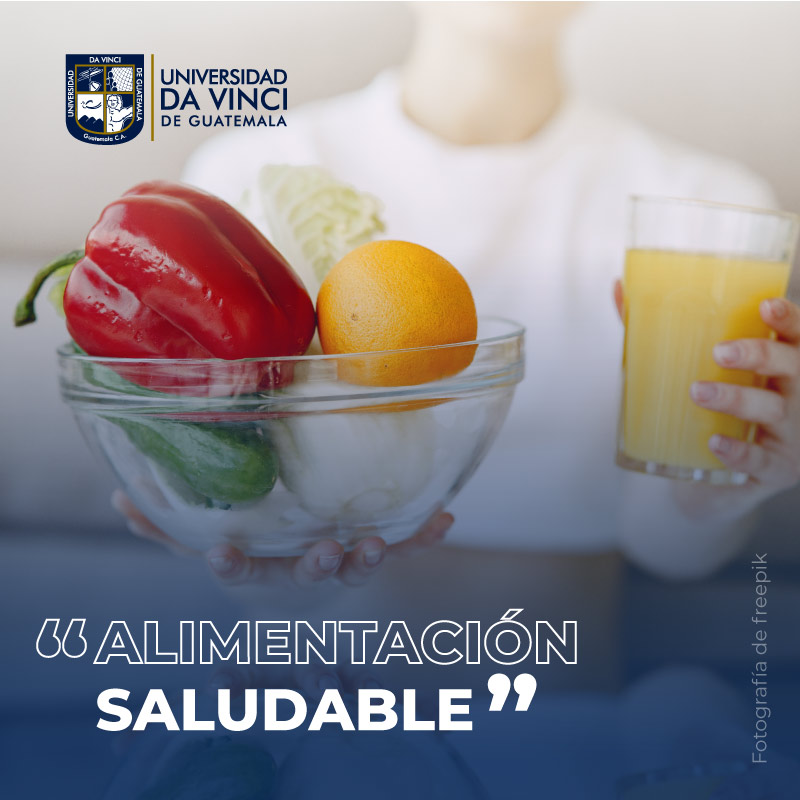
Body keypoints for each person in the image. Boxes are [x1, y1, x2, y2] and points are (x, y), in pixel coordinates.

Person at [116, 2, 800, 590]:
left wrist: (728, 484)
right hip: (315, 689)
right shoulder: (248, 176)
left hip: (573, 711)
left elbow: (671, 550)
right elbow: (246, 523)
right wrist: (230, 540)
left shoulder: (704, 212)